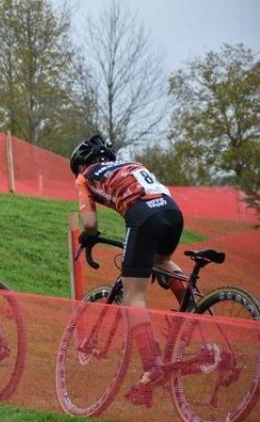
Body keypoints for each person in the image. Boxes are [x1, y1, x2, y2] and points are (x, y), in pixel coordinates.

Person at [70, 134, 184, 407]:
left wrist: (90, 236)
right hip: (172, 211)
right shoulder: (132, 164)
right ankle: (194, 313)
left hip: (144, 215)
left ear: (82, 163)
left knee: (133, 294)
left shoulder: (85, 176)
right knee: (161, 261)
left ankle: (151, 365)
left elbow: (89, 223)